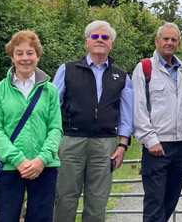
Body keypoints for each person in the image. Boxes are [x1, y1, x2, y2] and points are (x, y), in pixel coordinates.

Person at [52, 20, 133, 222]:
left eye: (105, 37)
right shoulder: (67, 69)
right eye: (95, 36)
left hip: (104, 145)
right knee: (64, 199)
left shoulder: (121, 76)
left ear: (111, 43)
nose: (100, 40)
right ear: (87, 41)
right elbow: (51, 107)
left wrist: (123, 145)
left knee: (97, 202)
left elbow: (126, 113)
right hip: (71, 141)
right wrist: (53, 140)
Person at [0, 30, 62, 222]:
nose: (25, 58)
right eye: (19, 53)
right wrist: (18, 160)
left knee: (41, 218)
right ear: (12, 56)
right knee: (6, 218)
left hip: (44, 166)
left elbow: (55, 128)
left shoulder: (50, 90)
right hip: (10, 167)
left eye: (30, 53)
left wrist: (42, 159)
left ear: (38, 56)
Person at [132, 22, 182, 222]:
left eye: (174, 40)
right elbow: (138, 107)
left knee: (170, 201)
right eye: (165, 39)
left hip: (180, 144)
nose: (169, 43)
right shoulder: (145, 68)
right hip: (157, 146)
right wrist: (150, 140)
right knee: (154, 204)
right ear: (157, 41)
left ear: (179, 44)